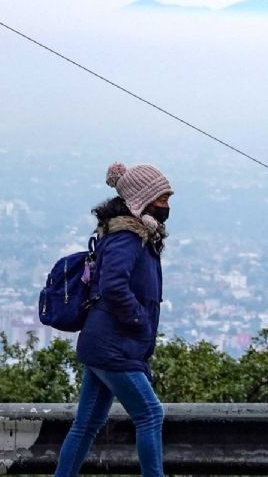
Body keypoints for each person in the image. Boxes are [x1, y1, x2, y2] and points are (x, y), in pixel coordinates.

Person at [54, 162, 172, 477]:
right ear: (142, 201)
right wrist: (138, 321)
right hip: (112, 345)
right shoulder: (127, 237)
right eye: (161, 199)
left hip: (104, 343)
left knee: (87, 424)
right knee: (150, 413)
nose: (166, 206)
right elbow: (113, 285)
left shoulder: (136, 235)